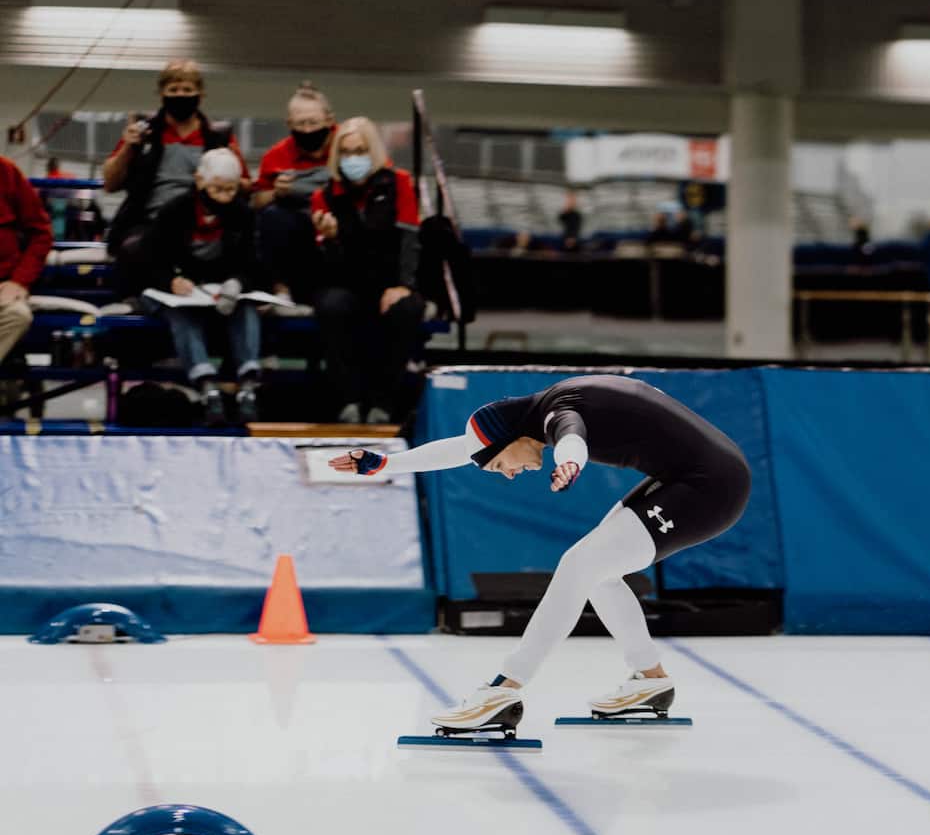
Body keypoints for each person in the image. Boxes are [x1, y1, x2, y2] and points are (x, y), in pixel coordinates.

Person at [328, 374, 752, 732]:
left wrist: (571, 462)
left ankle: (503, 689)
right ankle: (649, 679)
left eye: (499, 467)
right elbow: (464, 447)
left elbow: (572, 433)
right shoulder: (535, 413)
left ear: (509, 440)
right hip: (700, 477)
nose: (510, 475)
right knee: (598, 572)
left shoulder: (556, 414)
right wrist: (383, 465)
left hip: (709, 487)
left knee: (579, 565)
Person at [308, 117, 425, 424]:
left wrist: (403, 285)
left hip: (389, 281)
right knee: (332, 306)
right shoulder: (325, 196)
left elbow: (410, 239)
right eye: (345, 152)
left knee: (407, 308)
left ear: (372, 151)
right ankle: (348, 400)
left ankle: (382, 402)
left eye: (359, 150)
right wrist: (330, 240)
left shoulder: (399, 183)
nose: (352, 158)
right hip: (346, 282)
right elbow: (328, 265)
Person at [139, 148, 264, 426]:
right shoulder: (174, 211)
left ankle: (248, 386)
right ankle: (207, 386)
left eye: (231, 190)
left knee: (246, 309)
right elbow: (147, 261)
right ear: (199, 182)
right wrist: (170, 282)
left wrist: (238, 283)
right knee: (181, 316)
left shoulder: (242, 214)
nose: (223, 197)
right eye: (217, 189)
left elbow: (253, 264)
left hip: (219, 293)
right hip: (178, 293)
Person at [102, 60, 248, 294]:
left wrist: (228, 173)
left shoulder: (218, 136)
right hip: (149, 222)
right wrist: (128, 148)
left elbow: (245, 185)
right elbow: (110, 183)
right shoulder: (144, 132)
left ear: (200, 94)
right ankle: (136, 304)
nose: (181, 95)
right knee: (134, 248)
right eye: (173, 90)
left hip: (202, 222)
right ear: (161, 94)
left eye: (188, 90)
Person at [252, 84, 337, 302]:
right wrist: (276, 193)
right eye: (301, 124)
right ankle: (281, 290)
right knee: (271, 216)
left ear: (329, 120)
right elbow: (257, 201)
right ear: (289, 124)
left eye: (313, 122)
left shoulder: (349, 144)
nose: (308, 130)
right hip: (297, 232)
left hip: (340, 226)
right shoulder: (276, 155)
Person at [0, 154, 52, 388]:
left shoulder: (6, 172)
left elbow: (41, 234)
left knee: (18, 315)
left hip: (4, 286)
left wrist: (19, 281)